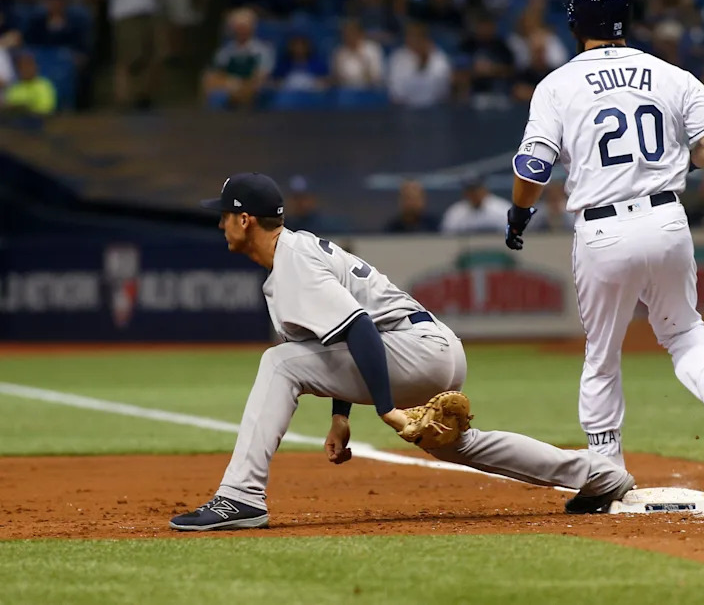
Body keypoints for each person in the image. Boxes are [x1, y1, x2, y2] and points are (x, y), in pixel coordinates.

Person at [169, 172, 637, 530]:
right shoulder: (296, 252)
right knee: (457, 444)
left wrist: (389, 409)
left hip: (411, 349)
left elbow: (360, 330)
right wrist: (340, 416)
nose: (220, 222)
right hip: (433, 346)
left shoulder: (293, 261)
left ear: (245, 219)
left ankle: (242, 495)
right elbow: (338, 338)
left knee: (278, 363)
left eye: (224, 214)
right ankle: (597, 475)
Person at [504, 0, 704, 476]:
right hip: (668, 218)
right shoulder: (668, 73)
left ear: (576, 22)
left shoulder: (557, 84)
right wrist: (678, 166)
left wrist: (520, 214)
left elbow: (532, 168)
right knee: (685, 331)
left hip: (603, 230)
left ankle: (606, 467)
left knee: (603, 355)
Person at [98, 0, 169, 109]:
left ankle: (144, 98)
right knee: (127, 57)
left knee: (156, 54)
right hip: (125, 11)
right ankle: (122, 101)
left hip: (151, 9)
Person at [203, 8, 275, 110]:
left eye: (244, 27)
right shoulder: (225, 51)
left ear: (252, 29)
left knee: (255, 86)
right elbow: (216, 75)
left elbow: (261, 76)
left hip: (251, 89)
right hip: (229, 87)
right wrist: (233, 84)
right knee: (208, 80)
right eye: (238, 28)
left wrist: (238, 84)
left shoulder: (263, 50)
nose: (241, 31)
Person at [386, 22, 451, 108]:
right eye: (411, 36)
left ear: (425, 38)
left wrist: (425, 62)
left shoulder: (438, 57)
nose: (415, 40)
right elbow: (397, 93)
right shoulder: (397, 58)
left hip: (435, 108)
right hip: (405, 110)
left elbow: (443, 90)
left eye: (418, 36)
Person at [440, 175, 511, 234]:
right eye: (470, 190)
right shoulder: (455, 212)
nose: (474, 193)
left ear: (484, 189)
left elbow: (513, 234)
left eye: (476, 189)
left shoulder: (502, 209)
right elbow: (447, 237)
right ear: (465, 193)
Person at [331, 19, 384, 90]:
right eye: (346, 34)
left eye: (352, 33)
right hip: (346, 91)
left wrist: (361, 59)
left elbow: (376, 78)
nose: (349, 37)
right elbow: (336, 78)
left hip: (369, 91)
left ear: (360, 34)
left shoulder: (373, 49)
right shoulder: (339, 52)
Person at [3, 51, 56, 115]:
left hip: (40, 122)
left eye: (29, 66)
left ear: (36, 67)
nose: (26, 70)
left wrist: (25, 107)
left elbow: (46, 109)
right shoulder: (15, 87)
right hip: (16, 122)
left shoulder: (44, 85)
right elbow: (9, 107)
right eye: (22, 67)